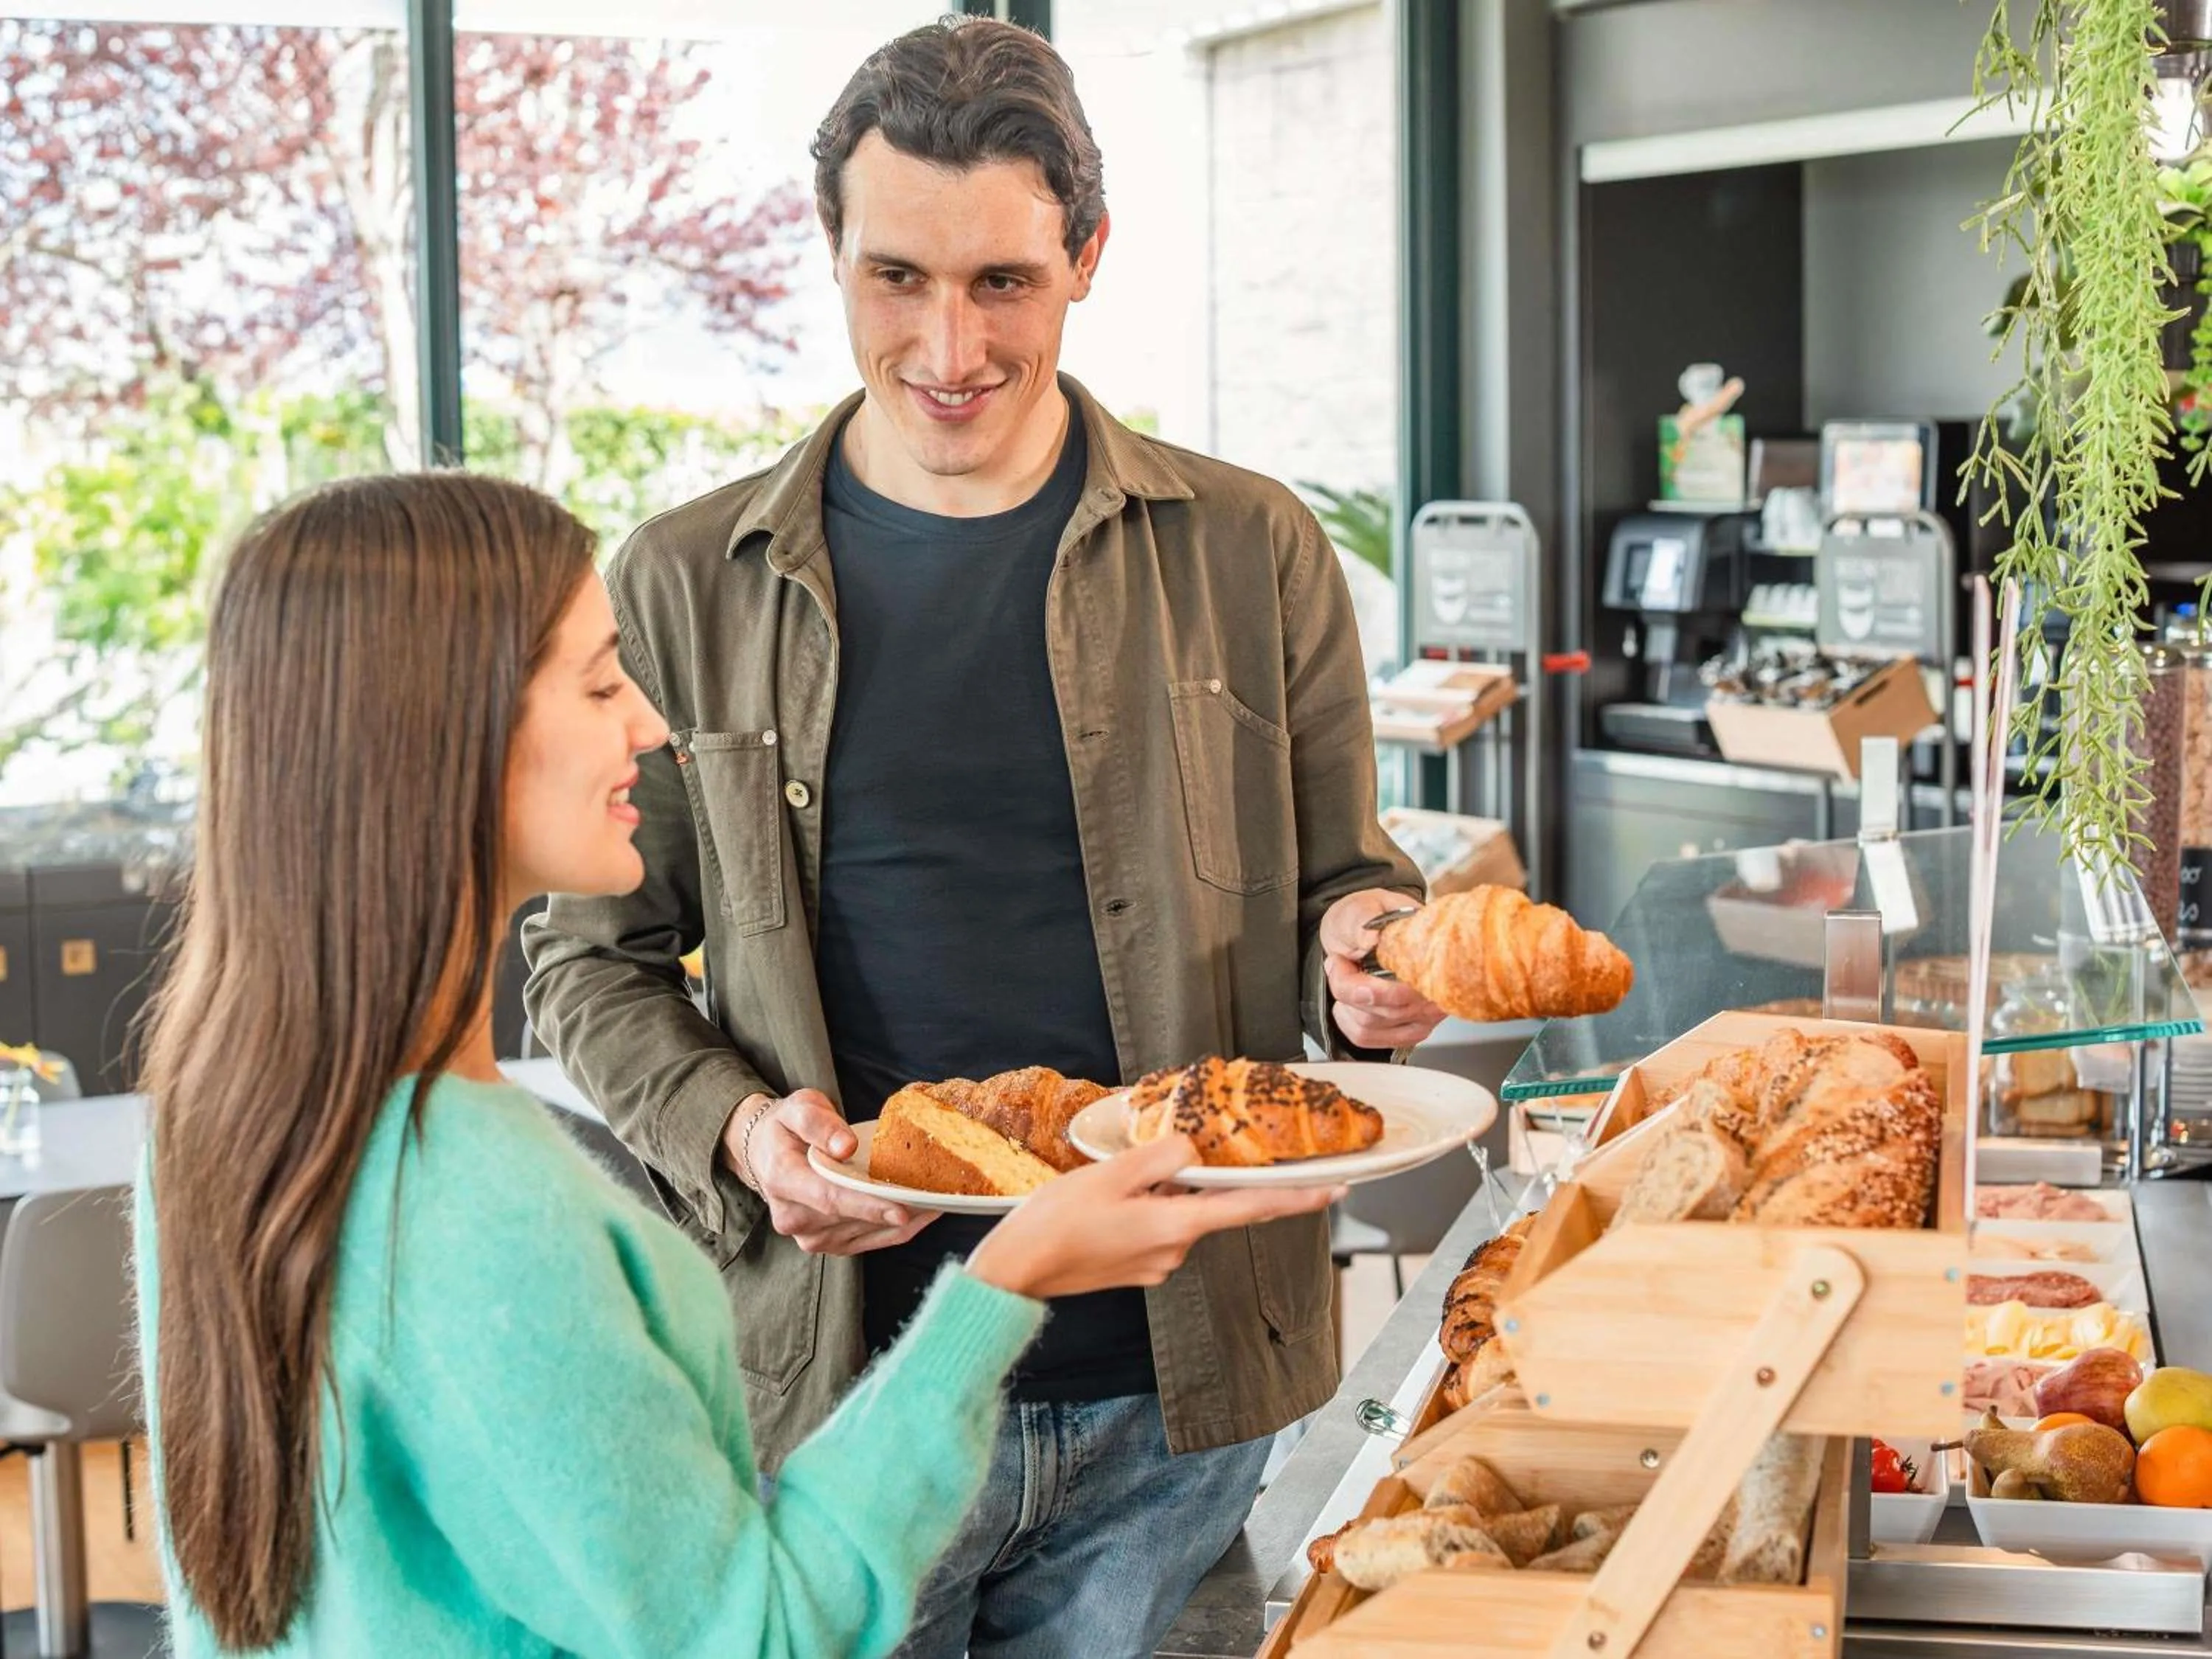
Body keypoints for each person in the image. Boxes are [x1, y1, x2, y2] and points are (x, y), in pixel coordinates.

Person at [523, 17, 1447, 1658]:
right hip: (847, 1389)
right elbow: (590, 966)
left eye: (1003, 282)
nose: (946, 343)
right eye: (896, 280)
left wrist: (1370, 959)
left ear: (1087, 255)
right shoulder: (680, 582)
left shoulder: (1252, 549)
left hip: (1183, 1394)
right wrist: (744, 1134)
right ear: (833, 257)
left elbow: (1344, 884)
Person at [133, 473, 1340, 1658]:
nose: (653, 728)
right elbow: (756, 1631)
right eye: (603, 681)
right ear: (438, 733)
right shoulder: (484, 1209)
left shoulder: (228, 1124)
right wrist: (1006, 1279)